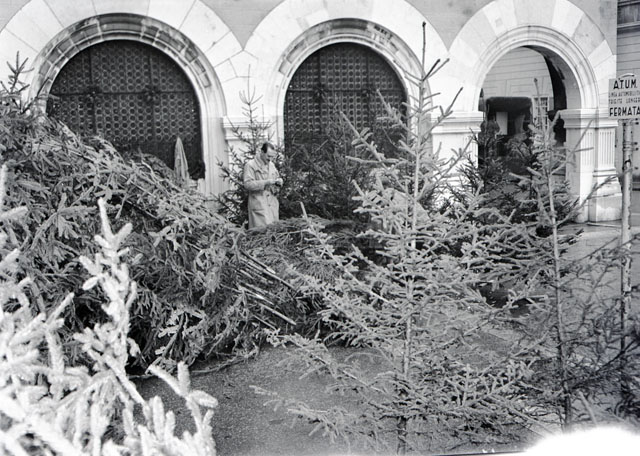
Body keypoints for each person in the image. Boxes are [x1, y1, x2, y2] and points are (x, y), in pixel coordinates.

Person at [243, 142, 283, 229]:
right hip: (259, 206)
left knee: (273, 232)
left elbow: (275, 181)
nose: (270, 159)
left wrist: (278, 183)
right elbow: (247, 184)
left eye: (272, 157)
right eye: (268, 156)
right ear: (262, 152)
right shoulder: (250, 165)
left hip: (272, 206)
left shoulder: (272, 165)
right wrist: (265, 182)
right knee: (260, 233)